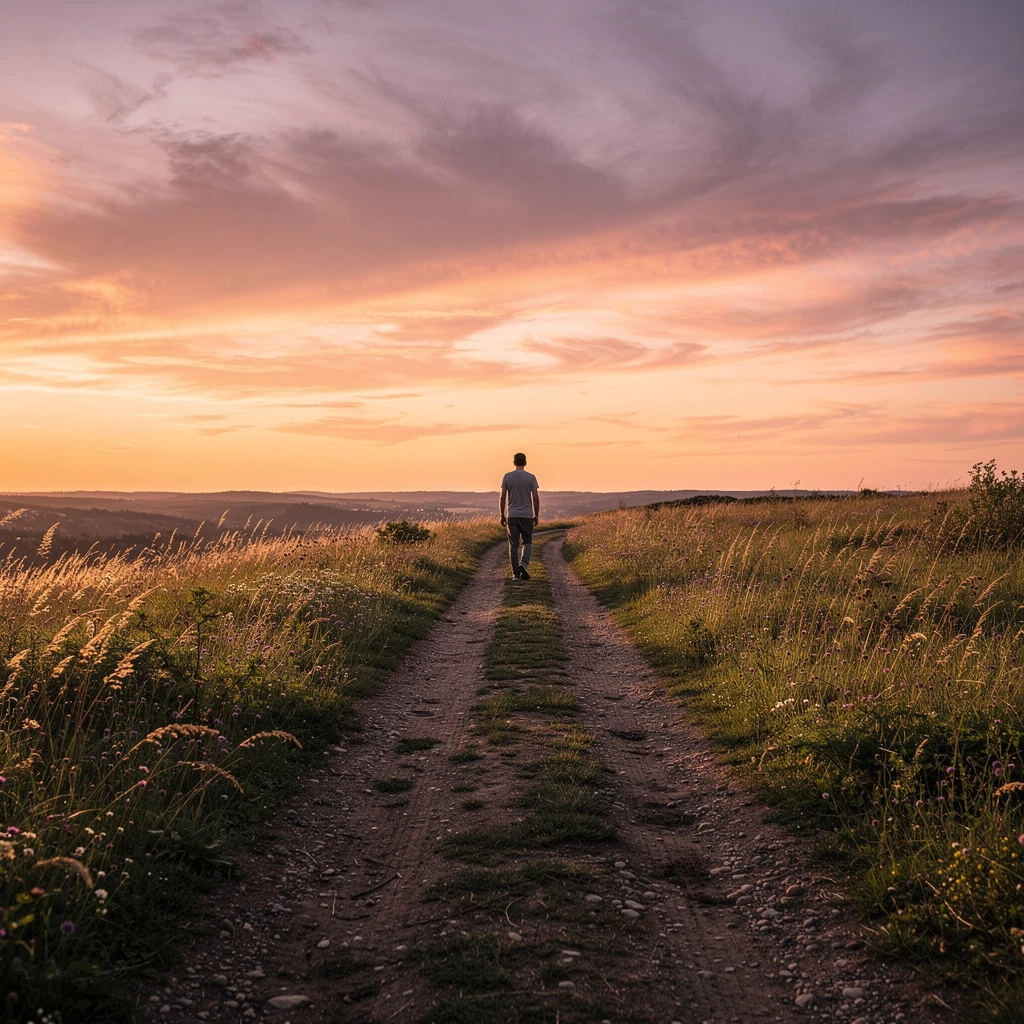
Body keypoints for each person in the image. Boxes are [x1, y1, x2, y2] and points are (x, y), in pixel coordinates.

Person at [499, 452, 540, 580]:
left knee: (514, 545)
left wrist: (502, 515)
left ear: (514, 462)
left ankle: (515, 574)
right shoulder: (531, 477)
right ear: (525, 463)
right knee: (527, 542)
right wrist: (536, 515)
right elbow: (535, 498)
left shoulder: (507, 477)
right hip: (527, 515)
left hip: (512, 515)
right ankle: (524, 564)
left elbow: (502, 497)